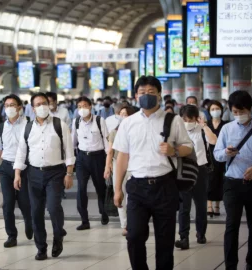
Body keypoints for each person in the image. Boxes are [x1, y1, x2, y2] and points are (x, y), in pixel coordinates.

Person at [113, 76, 193, 270]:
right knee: (133, 236)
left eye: (151, 93)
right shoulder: (128, 123)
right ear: (135, 96)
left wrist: (174, 150)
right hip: (137, 186)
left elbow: (188, 148)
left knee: (165, 240)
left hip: (164, 185)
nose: (146, 96)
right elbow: (122, 157)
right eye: (142, 93)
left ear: (159, 95)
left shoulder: (173, 120)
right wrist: (117, 189)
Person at [214, 90, 252, 270]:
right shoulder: (226, 128)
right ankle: (230, 265)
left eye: (242, 111)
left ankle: (251, 263)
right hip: (232, 183)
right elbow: (217, 154)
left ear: (250, 108)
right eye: (235, 112)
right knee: (232, 225)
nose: (238, 115)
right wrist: (226, 152)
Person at [13, 93, 75, 261]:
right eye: (38, 104)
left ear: (49, 105)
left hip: (55, 173)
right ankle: (41, 248)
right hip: (33, 174)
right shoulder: (27, 127)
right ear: (32, 108)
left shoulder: (59, 124)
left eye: (44, 103)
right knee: (36, 212)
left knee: (54, 207)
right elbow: (21, 153)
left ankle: (58, 236)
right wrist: (17, 174)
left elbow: (69, 152)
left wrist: (69, 174)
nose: (42, 106)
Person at [0, 94, 33, 248]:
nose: (9, 108)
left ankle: (29, 223)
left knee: (24, 202)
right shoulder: (1, 127)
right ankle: (11, 235)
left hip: (24, 168)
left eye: (12, 105)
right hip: (6, 168)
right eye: (7, 105)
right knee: (7, 203)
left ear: (19, 108)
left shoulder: (28, 124)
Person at [175, 105, 217, 250]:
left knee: (201, 205)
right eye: (185, 119)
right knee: (183, 206)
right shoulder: (177, 132)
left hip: (200, 170)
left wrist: (204, 125)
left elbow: (214, 141)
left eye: (190, 119)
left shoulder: (202, 130)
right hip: (184, 171)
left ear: (196, 118)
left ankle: (201, 234)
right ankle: (184, 237)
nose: (187, 121)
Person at [72, 96, 109, 230]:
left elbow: (106, 142)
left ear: (90, 107)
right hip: (82, 158)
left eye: (85, 106)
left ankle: (104, 212)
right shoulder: (76, 122)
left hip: (98, 158)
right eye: (80, 106)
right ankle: (84, 220)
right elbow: (73, 142)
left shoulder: (99, 121)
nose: (82, 109)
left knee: (100, 187)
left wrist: (108, 163)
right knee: (81, 189)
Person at [104, 105, 135, 236]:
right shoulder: (114, 132)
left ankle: (133, 223)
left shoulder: (136, 131)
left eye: (126, 114)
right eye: (121, 114)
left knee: (132, 195)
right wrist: (107, 166)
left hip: (134, 164)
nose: (123, 117)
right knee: (120, 193)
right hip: (118, 164)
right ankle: (125, 225)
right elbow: (110, 151)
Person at [206, 100, 226, 216]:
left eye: (217, 109)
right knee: (209, 179)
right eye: (212, 109)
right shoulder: (206, 124)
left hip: (222, 154)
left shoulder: (225, 124)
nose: (215, 111)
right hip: (208, 154)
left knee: (219, 179)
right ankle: (209, 205)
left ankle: (217, 205)